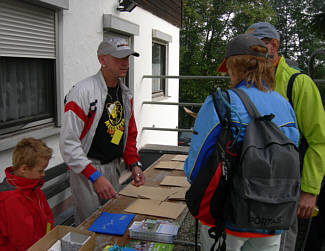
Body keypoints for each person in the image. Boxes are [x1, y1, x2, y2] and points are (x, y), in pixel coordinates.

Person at [185, 34, 300, 251]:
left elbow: (195, 166)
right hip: (272, 218)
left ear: (233, 66)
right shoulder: (285, 105)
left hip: (227, 217)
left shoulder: (222, 103)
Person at [245, 22, 325, 251]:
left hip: (287, 185)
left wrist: (309, 191)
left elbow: (319, 140)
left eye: (257, 46)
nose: (252, 52)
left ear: (274, 45)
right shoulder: (250, 81)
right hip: (254, 183)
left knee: (281, 243)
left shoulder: (298, 83)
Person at [60, 37, 145, 225]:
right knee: (90, 226)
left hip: (113, 168)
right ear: (102, 60)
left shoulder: (125, 94)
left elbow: (128, 133)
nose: (125, 63)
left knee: (111, 222)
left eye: (128, 57)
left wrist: (134, 164)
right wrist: (95, 176)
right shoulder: (82, 92)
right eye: (119, 58)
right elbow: (68, 143)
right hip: (86, 170)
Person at [0, 138, 53, 251]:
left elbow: (48, 217)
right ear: (23, 168)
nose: (43, 174)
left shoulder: (34, 188)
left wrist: (49, 240)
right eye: (40, 170)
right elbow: (24, 242)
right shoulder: (11, 200)